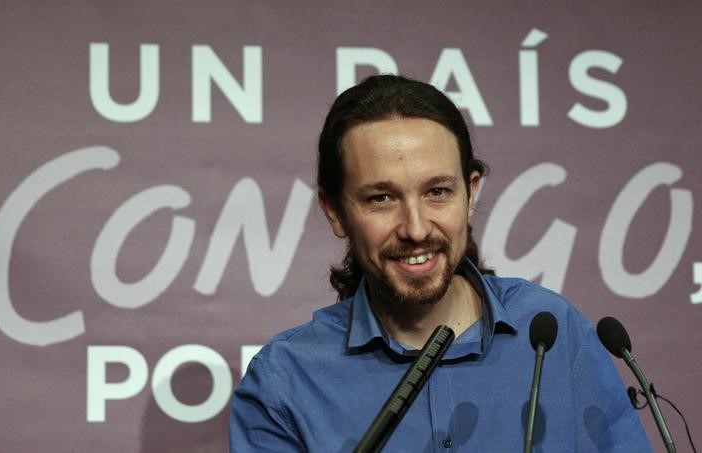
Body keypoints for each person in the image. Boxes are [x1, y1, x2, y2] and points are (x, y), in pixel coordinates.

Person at [229, 75, 650, 452]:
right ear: (334, 210)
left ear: (470, 193)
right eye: (382, 198)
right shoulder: (285, 381)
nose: (415, 228)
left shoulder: (554, 336)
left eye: (437, 192)